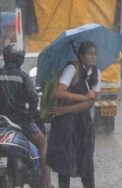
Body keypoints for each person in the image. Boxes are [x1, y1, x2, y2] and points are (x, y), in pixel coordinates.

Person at [46, 41, 101, 188]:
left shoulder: (97, 73)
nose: (93, 57)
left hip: (83, 123)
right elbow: (60, 91)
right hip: (66, 124)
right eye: (89, 54)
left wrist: (68, 109)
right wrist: (83, 97)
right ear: (81, 56)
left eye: (95, 54)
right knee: (65, 164)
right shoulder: (72, 68)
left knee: (86, 164)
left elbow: (91, 103)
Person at [0, 44, 52, 188]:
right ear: (20, 59)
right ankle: (46, 183)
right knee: (43, 143)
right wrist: (31, 113)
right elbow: (33, 99)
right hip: (21, 121)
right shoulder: (23, 76)